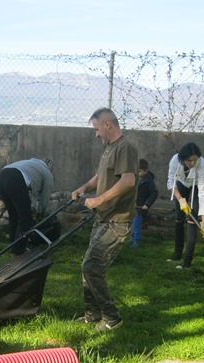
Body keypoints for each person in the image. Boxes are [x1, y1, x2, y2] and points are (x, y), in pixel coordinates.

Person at [71, 108, 139, 332]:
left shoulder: (125, 147)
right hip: (104, 218)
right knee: (88, 267)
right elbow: (101, 175)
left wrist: (98, 199)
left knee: (92, 267)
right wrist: (85, 187)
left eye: (97, 128)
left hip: (116, 221)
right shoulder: (110, 148)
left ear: (107, 124)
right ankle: (93, 315)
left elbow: (128, 181)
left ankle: (112, 318)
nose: (96, 134)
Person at [0, 157, 54, 255]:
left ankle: (13, 244)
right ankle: (17, 251)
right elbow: (45, 197)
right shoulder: (47, 172)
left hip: (1, 176)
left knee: (13, 215)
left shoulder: (31, 163)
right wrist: (42, 212)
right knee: (26, 218)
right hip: (15, 178)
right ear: (50, 167)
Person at [166, 141, 204, 269]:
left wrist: (203, 221)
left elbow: (203, 192)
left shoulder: (201, 164)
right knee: (179, 218)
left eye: (195, 160)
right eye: (189, 160)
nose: (192, 163)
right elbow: (170, 183)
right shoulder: (175, 161)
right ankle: (177, 254)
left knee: (193, 220)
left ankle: (187, 261)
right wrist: (180, 199)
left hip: (196, 185)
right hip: (181, 184)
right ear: (183, 159)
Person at [131, 158, 158, 248]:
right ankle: (132, 238)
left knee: (136, 224)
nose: (138, 174)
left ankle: (137, 241)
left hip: (141, 207)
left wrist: (147, 204)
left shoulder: (149, 181)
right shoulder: (135, 179)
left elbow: (154, 193)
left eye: (139, 172)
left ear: (146, 170)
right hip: (134, 205)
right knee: (132, 224)